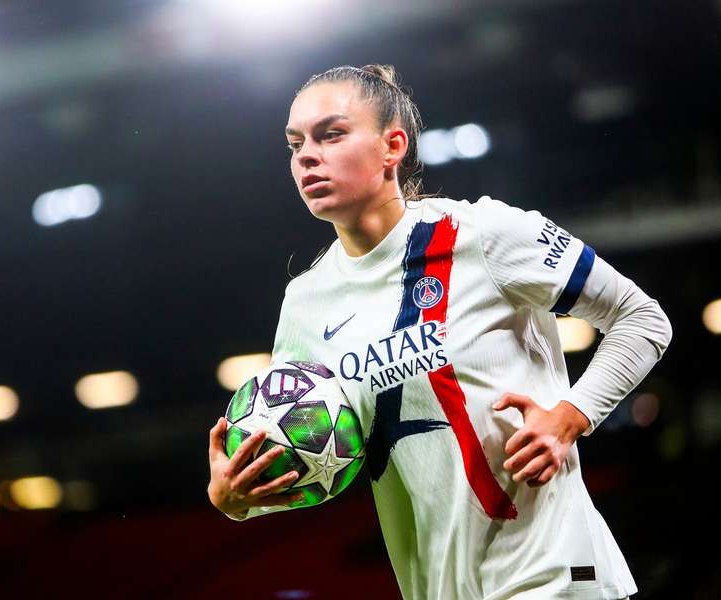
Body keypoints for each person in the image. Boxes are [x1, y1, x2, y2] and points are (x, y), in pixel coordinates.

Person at [206, 64, 671, 599]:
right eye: (295, 143)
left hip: (552, 572)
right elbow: (312, 455)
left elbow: (641, 318)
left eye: (331, 134)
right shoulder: (306, 304)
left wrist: (568, 418)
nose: (307, 155)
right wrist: (238, 499)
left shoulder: (484, 234)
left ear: (392, 147)